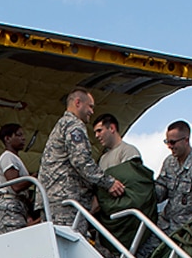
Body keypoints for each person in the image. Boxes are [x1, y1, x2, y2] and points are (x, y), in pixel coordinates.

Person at [37, 88, 126, 231]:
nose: (92, 111)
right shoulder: (74, 126)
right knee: (69, 246)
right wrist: (109, 183)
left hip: (53, 200)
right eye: (90, 106)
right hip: (67, 202)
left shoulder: (61, 124)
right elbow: (81, 161)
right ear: (78, 103)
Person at [154, 120, 192, 236]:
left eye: (173, 142)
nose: (169, 146)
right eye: (167, 142)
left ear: (186, 140)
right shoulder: (169, 162)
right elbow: (161, 188)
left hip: (184, 230)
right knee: (143, 253)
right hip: (164, 225)